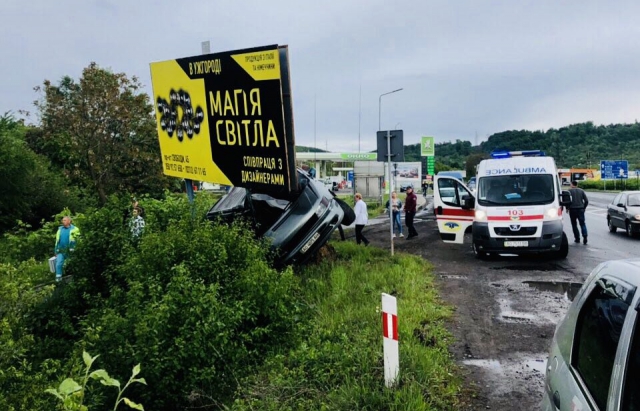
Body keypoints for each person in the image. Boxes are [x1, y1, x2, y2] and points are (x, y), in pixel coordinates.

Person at [54, 216, 80, 281]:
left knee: (70, 264)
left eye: (65, 220)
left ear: (69, 221)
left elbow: (77, 240)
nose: (63, 221)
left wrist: (74, 248)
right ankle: (58, 280)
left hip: (70, 250)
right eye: (63, 220)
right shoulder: (60, 229)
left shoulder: (75, 229)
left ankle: (73, 279)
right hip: (60, 250)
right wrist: (55, 250)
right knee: (58, 264)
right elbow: (57, 241)